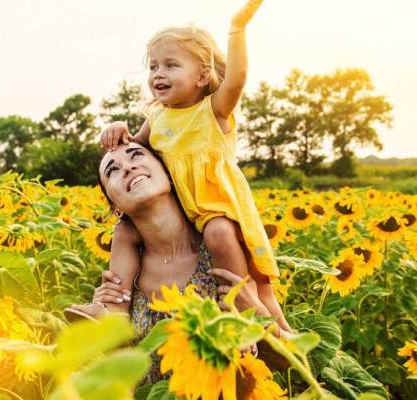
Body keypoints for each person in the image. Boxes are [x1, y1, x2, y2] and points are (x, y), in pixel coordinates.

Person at [70, 0, 289, 331]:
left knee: (253, 279)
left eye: (171, 65)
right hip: (184, 210)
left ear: (202, 75)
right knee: (125, 229)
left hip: (220, 210)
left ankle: (247, 315)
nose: (159, 73)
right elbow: (131, 152)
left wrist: (237, 29)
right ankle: (112, 305)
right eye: (154, 67)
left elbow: (237, 79)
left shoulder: (213, 111)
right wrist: (116, 128)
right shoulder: (157, 119)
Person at [69, 142, 290, 384]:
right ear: (115, 208)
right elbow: (122, 367)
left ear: (170, 174)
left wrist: (260, 320)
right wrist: (106, 322)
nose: (128, 167)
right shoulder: (126, 270)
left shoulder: (225, 245)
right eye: (112, 170)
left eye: (136, 156)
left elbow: (296, 361)